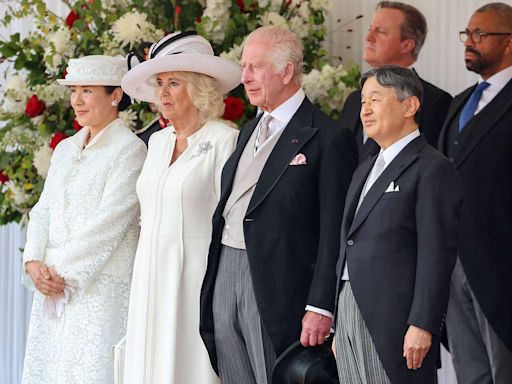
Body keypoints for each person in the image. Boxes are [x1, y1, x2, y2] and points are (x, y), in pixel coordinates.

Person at [199, 26, 358, 384]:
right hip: (226, 269)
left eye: (255, 67)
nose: (244, 77)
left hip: (279, 285)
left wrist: (321, 306)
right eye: (244, 67)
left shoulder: (330, 139)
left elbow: (335, 231)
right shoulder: (246, 131)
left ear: (286, 72)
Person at [120, 31, 241, 384]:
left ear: (200, 88)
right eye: (160, 83)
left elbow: (230, 219)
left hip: (195, 272)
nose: (164, 93)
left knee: (189, 363)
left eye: (174, 82)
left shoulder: (224, 140)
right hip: (149, 269)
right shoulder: (157, 142)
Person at [21, 55, 147, 383]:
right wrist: (34, 263)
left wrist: (60, 274)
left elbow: (111, 222)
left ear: (115, 95)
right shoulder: (64, 149)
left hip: (97, 288)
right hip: (52, 285)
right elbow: (43, 209)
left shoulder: (130, 150)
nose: (76, 100)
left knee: (90, 370)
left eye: (87, 90)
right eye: (74, 90)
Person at [333, 66, 462, 384]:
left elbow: (437, 254)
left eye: (375, 99)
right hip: (349, 305)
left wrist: (423, 323)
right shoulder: (365, 166)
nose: (365, 109)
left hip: (395, 316)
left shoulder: (432, 167)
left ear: (409, 106)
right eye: (363, 101)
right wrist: (338, 318)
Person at [438, 3, 512, 383]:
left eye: (480, 34)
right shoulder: (459, 102)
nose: (470, 42)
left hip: (501, 266)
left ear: (509, 43)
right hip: (454, 261)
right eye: (467, 34)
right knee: (470, 371)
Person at [339, 1, 452, 163]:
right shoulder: (353, 100)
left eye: (381, 31)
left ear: (406, 45)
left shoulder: (434, 102)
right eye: (371, 29)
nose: (369, 38)